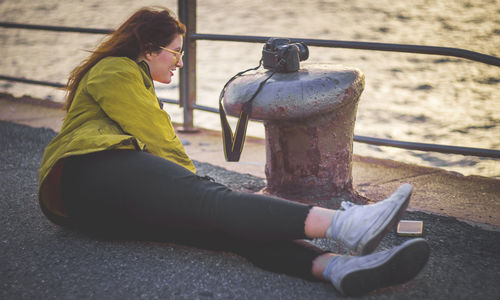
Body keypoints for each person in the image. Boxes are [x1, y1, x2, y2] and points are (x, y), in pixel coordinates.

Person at [38, 6, 430, 297]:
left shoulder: (128, 76)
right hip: (87, 172)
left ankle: (336, 267)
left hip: (90, 208)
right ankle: (349, 225)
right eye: (176, 52)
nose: (180, 61)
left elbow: (149, 145)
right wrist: (195, 187)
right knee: (215, 204)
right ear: (148, 48)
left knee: (225, 228)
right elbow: (155, 134)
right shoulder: (116, 70)